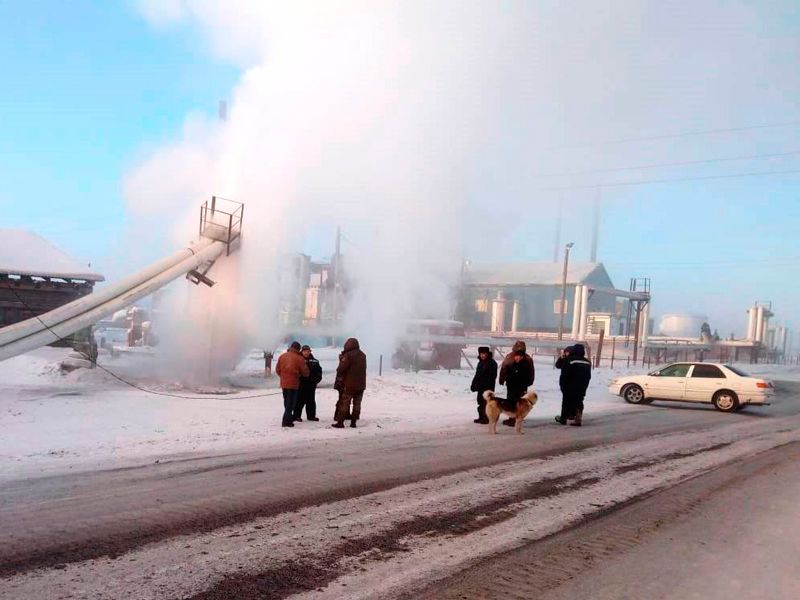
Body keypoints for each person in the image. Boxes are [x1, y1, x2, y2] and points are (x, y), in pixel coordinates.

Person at [498, 340, 535, 427]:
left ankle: (514, 418)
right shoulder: (527, 358)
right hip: (518, 384)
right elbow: (531, 372)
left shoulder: (510, 356)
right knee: (517, 401)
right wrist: (530, 382)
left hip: (515, 384)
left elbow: (503, 369)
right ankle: (516, 418)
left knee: (514, 401)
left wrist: (502, 379)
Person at [333, 337, 367, 429]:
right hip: (361, 385)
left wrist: (341, 360)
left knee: (345, 403)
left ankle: (340, 422)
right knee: (357, 404)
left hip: (349, 384)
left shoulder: (348, 355)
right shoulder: (363, 355)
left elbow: (341, 369)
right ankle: (353, 422)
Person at [554, 343, 592, 426]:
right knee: (579, 401)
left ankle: (563, 419)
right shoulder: (587, 362)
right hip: (582, 386)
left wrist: (563, 386)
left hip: (569, 386)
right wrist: (585, 386)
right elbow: (588, 376)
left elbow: (564, 373)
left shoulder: (569, 360)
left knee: (566, 402)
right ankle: (578, 419)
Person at [274, 341, 310, 428]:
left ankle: (288, 419)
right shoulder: (299, 358)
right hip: (293, 384)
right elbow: (305, 373)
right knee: (291, 403)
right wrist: (299, 375)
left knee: (286, 402)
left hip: (284, 383)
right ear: (298, 349)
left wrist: (283, 377)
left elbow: (277, 369)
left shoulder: (282, 356)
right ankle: (286, 421)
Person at [294, 345, 323, 422]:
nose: (306, 353)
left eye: (308, 351)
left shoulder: (315, 361)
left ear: (310, 352)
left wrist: (316, 381)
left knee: (311, 401)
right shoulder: (298, 360)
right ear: (302, 352)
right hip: (301, 385)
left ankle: (311, 416)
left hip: (311, 385)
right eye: (305, 351)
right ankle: (297, 416)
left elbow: (319, 372)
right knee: (299, 401)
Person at [470, 346, 497, 424]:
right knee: (480, 402)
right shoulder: (480, 363)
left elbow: (492, 377)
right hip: (480, 388)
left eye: (484, 354)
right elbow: (477, 375)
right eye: (481, 354)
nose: (482, 355)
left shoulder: (492, 363)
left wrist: (483, 385)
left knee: (487, 403)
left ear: (487, 354)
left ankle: (486, 418)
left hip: (488, 388)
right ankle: (481, 417)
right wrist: (473, 384)